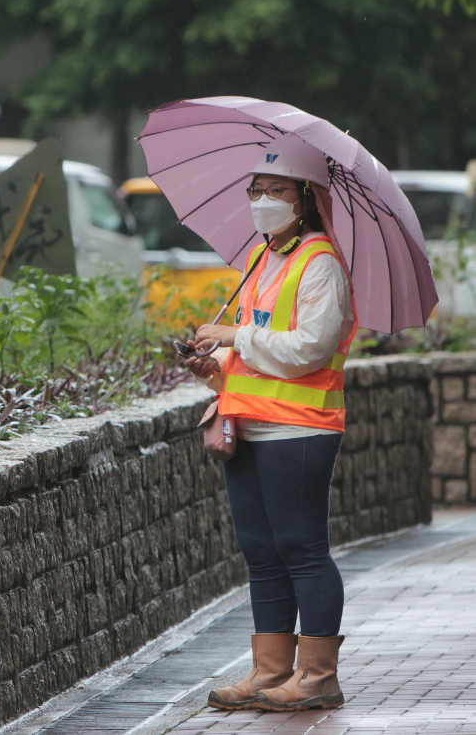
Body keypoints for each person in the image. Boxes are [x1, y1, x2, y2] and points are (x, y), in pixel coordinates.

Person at [185, 135, 357, 713]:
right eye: (256, 189)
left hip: (300, 429)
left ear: (306, 198)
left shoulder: (321, 263)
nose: (261, 199)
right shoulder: (263, 260)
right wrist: (215, 368)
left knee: (301, 547)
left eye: (276, 190)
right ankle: (270, 670)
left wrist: (234, 336)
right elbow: (258, 352)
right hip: (251, 425)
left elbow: (309, 348)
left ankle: (317, 678)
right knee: (261, 551)